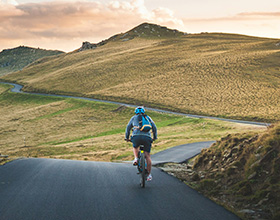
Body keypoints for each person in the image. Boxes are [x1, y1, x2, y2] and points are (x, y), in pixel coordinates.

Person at [125, 106, 157, 181]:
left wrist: (127, 137)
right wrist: (154, 137)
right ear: (144, 112)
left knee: (135, 146)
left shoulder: (133, 118)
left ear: (135, 112)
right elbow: (154, 127)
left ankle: (136, 158)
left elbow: (128, 127)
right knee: (147, 156)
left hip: (136, 137)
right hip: (147, 138)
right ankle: (149, 175)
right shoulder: (148, 118)